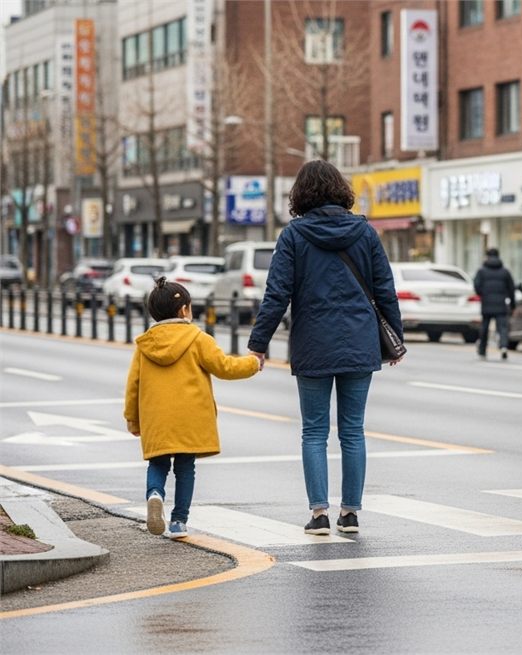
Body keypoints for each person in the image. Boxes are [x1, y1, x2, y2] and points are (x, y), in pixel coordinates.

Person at [247, 160, 404, 536]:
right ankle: (349, 514)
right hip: (359, 341)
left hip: (313, 342)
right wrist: (395, 339)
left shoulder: (293, 236)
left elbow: (277, 294)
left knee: (314, 431)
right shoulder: (365, 233)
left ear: (300, 195)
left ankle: (319, 513)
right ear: (340, 190)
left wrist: (258, 344)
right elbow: (385, 289)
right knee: (353, 430)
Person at [125, 278, 261, 539]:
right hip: (191, 418)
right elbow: (225, 367)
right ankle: (179, 522)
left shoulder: (145, 345)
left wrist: (133, 419)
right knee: (185, 468)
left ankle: (155, 494)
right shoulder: (198, 338)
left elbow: (133, 385)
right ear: (184, 310)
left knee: (158, 463)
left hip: (157, 419)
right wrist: (253, 363)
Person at [473, 247, 516, 361]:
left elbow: (476, 286)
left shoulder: (481, 271)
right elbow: (511, 289)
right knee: (502, 327)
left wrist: (483, 294)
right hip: (501, 304)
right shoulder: (505, 272)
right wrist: (512, 305)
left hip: (486, 303)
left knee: (484, 327)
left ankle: (482, 350)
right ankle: (503, 346)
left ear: (487, 256)